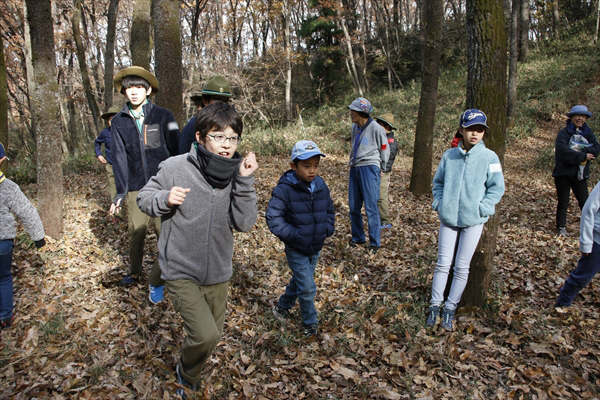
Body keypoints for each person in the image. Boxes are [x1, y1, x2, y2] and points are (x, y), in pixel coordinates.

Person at [137, 103, 258, 396]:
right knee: (205, 334)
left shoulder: (236, 173)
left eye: (233, 137)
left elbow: (244, 223)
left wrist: (244, 180)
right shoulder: (176, 167)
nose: (227, 145)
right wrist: (165, 198)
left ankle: (188, 373)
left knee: (210, 337)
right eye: (219, 136)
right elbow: (144, 197)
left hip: (218, 271)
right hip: (180, 269)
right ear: (201, 137)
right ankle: (187, 375)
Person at [425, 109, 505, 331]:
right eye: (470, 129)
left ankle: (450, 308)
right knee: (443, 264)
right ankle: (435, 305)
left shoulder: (490, 157)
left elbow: (497, 188)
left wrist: (483, 209)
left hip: (474, 220)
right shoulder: (449, 156)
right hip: (449, 218)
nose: (474, 134)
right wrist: (440, 204)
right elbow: (438, 183)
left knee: (461, 266)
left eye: (479, 130)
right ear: (461, 129)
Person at [109, 66, 180, 304]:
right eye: (129, 88)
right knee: (136, 232)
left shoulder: (164, 116)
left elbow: (176, 147)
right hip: (136, 186)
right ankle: (135, 272)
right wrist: (121, 190)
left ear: (148, 90)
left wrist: (177, 180)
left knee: (165, 233)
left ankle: (165, 276)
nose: (134, 92)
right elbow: (118, 156)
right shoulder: (118, 121)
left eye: (139, 87)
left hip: (163, 185)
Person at [266, 140, 335, 338]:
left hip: (315, 246)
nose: (312, 170)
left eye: (315, 165)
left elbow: (330, 210)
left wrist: (326, 229)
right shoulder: (285, 189)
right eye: (306, 166)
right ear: (293, 166)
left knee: (300, 280)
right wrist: (293, 235)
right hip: (296, 247)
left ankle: (282, 307)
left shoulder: (321, 186)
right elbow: (273, 217)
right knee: (307, 287)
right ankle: (310, 324)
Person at [0, 143, 46, 329]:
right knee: (3, 277)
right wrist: (38, 237)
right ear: (2, 161)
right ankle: (5, 317)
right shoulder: (8, 187)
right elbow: (27, 212)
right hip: (3, 243)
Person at [347, 97, 389, 252]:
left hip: (370, 167)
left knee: (371, 206)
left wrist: (382, 167)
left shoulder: (376, 128)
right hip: (355, 167)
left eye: (354, 111)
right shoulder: (354, 127)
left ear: (362, 113)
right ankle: (358, 238)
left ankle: (374, 242)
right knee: (353, 207)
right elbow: (354, 145)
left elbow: (384, 147)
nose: (351, 113)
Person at [553, 105, 600, 236]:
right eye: (578, 116)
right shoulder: (563, 133)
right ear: (572, 117)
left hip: (580, 175)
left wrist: (580, 152)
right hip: (563, 174)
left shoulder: (588, 133)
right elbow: (563, 152)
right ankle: (561, 227)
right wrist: (583, 156)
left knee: (586, 203)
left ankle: (590, 228)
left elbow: (596, 149)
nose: (580, 119)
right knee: (563, 202)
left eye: (583, 116)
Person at [555, 180, 600, 307]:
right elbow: (589, 209)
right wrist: (586, 242)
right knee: (582, 276)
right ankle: (563, 304)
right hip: (597, 242)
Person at [178, 75, 233, 155]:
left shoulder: (227, 123)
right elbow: (184, 154)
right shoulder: (194, 125)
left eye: (225, 100)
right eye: (217, 99)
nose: (221, 104)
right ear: (205, 101)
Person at [94, 106, 124, 218]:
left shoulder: (126, 131)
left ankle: (135, 215)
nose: (112, 121)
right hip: (111, 165)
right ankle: (118, 215)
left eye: (115, 118)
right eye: (110, 118)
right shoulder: (105, 133)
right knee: (114, 189)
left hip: (126, 166)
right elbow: (97, 143)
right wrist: (99, 154)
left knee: (130, 191)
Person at [375, 114, 399, 229]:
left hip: (383, 172)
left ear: (386, 126)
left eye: (379, 124)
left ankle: (385, 221)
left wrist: (382, 170)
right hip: (378, 170)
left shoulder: (391, 142)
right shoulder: (381, 138)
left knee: (381, 196)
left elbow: (388, 158)